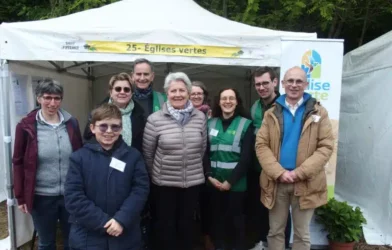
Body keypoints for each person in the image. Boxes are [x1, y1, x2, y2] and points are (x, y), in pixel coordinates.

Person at [255, 66, 334, 250]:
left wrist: (300, 172)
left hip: (306, 181)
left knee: (302, 234)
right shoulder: (271, 113)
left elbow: (326, 146)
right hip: (276, 181)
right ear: (282, 84)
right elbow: (261, 145)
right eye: (290, 81)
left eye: (299, 81)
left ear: (306, 84)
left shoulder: (319, 113)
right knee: (275, 231)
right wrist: (279, 172)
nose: (294, 85)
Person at [65, 103, 149, 250]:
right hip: (88, 236)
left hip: (125, 234)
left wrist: (121, 220)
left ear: (121, 129)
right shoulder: (78, 158)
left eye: (115, 127)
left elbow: (140, 190)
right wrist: (105, 222)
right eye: (103, 126)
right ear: (92, 128)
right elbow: (74, 197)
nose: (109, 131)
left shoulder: (133, 156)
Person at [12, 80, 83, 250]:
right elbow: (18, 162)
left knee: (73, 239)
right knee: (46, 242)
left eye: (57, 98)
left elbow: (80, 157)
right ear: (38, 98)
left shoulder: (71, 123)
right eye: (47, 98)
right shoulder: (25, 126)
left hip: (70, 195)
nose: (52, 103)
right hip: (41, 197)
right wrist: (20, 196)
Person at [143, 72, 207, 250]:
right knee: (166, 226)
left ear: (188, 92)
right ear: (166, 94)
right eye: (173, 91)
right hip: (164, 184)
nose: (177, 94)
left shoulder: (200, 118)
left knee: (187, 226)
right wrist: (157, 173)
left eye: (182, 90)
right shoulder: (155, 119)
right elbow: (148, 154)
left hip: (192, 183)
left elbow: (202, 149)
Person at [248, 67, 292, 250]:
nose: (261, 87)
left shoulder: (286, 106)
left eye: (265, 83)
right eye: (258, 84)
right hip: (259, 169)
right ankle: (261, 242)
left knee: (281, 212)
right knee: (260, 208)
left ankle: (282, 246)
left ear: (275, 82)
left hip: (279, 169)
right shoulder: (255, 107)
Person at [207, 88, 254, 250]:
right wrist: (209, 177)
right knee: (217, 221)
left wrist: (229, 182)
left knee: (236, 221)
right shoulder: (210, 123)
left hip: (236, 184)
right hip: (213, 182)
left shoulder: (246, 124)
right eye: (224, 98)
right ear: (218, 102)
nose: (227, 101)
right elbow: (204, 153)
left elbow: (246, 158)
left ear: (237, 101)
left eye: (231, 98)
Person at [83, 72, 145, 152]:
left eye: (126, 89)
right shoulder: (97, 112)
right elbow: (88, 139)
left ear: (131, 93)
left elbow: (142, 144)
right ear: (111, 92)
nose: (122, 92)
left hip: (130, 160)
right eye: (118, 89)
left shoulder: (140, 114)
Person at [190, 81, 214, 250]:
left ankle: (207, 241)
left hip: (210, 168)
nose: (196, 96)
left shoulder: (213, 115)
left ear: (205, 96)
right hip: (190, 168)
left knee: (207, 208)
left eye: (199, 93)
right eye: (193, 94)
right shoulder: (184, 114)